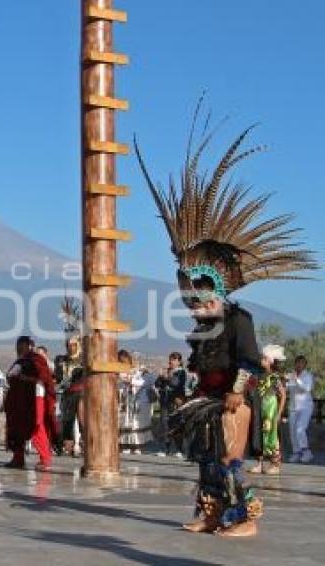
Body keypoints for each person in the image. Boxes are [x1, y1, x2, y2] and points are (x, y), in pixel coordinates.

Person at [137, 118, 318, 537]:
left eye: (198, 298)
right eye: (188, 299)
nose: (193, 306)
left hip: (231, 403)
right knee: (206, 461)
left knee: (229, 460)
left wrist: (236, 391)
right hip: (208, 401)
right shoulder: (202, 328)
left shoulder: (239, 320)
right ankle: (212, 512)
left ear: (216, 290)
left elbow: (250, 362)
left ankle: (245, 518)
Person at [5, 337, 56, 470]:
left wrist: (25, 378)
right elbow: (10, 377)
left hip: (35, 398)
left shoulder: (36, 359)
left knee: (36, 426)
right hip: (19, 400)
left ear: (29, 346)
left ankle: (45, 460)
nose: (18, 348)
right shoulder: (20, 361)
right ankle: (18, 458)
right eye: (17, 345)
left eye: (21, 345)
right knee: (16, 428)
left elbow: (44, 378)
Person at [250, 345, 287, 475]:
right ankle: (259, 464)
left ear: (271, 361)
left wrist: (279, 412)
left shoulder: (275, 377)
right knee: (258, 435)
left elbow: (283, 395)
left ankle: (275, 463)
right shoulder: (257, 375)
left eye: (265, 359)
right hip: (259, 407)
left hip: (270, 408)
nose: (262, 361)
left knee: (272, 435)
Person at [118, 350, 155, 455]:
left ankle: (137, 446)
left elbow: (150, 380)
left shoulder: (140, 370)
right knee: (125, 423)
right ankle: (126, 445)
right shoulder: (119, 371)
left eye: (124, 360)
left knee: (136, 424)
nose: (123, 362)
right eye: (121, 361)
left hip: (139, 401)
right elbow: (119, 384)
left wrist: (132, 382)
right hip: (125, 401)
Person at [55, 335, 84, 457]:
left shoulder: (84, 360)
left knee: (83, 421)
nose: (71, 348)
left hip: (82, 393)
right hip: (67, 393)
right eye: (69, 345)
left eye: (73, 345)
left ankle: (85, 446)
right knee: (67, 420)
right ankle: (68, 446)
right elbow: (58, 377)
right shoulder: (62, 360)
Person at [155, 353, 186, 458]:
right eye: (170, 360)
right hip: (165, 401)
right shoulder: (167, 371)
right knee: (164, 425)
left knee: (176, 425)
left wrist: (167, 377)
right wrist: (160, 377)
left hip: (175, 401)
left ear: (179, 361)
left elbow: (176, 384)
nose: (171, 362)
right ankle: (165, 448)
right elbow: (157, 384)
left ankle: (179, 449)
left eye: (173, 360)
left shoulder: (181, 372)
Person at [286, 355, 315, 464]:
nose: (299, 365)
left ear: (305, 365)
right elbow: (288, 388)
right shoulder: (292, 375)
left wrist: (296, 379)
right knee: (292, 431)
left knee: (300, 429)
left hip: (305, 407)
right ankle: (296, 453)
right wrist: (283, 382)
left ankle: (307, 452)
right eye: (297, 363)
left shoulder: (308, 376)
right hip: (293, 407)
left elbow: (306, 388)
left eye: (301, 363)